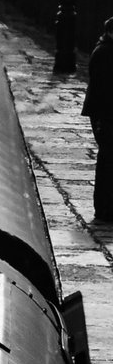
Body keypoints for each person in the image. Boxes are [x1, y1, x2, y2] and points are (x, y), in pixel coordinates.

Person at [82, 17, 113, 219]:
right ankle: (104, 207)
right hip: (105, 114)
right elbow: (103, 89)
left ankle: (105, 206)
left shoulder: (104, 50)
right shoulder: (104, 53)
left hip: (105, 113)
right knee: (107, 160)